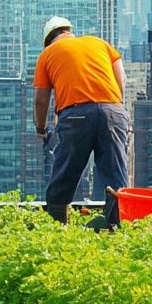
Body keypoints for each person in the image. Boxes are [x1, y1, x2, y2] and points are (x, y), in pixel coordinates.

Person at [32, 16, 129, 228]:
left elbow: (41, 100)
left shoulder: (47, 54)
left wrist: (41, 129)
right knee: (116, 177)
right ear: (69, 32)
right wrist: (114, 108)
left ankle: (57, 227)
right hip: (113, 111)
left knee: (65, 172)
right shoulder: (100, 43)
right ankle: (120, 228)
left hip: (76, 116)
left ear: (49, 39)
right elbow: (121, 77)